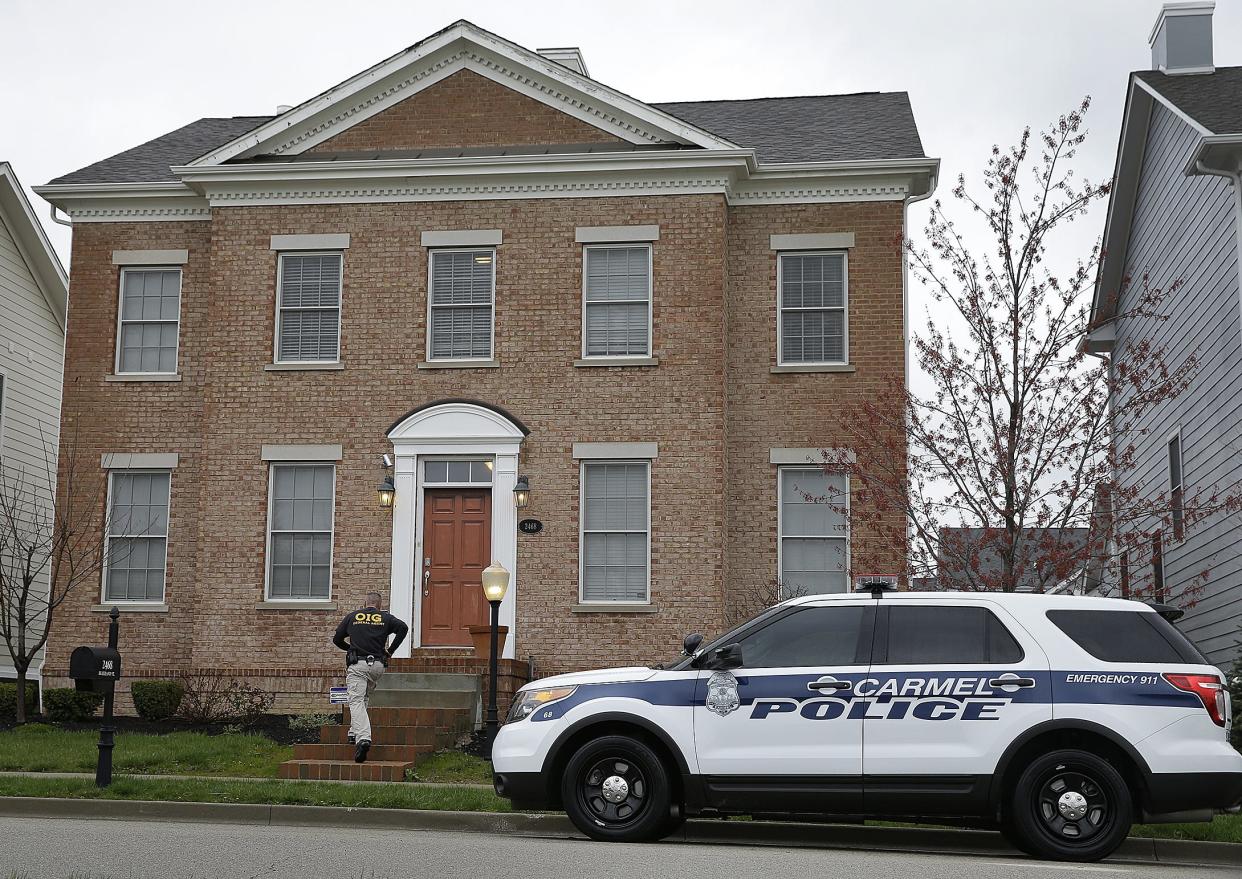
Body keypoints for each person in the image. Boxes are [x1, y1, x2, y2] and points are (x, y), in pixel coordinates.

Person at [332, 592, 409, 763]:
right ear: (379, 605)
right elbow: (403, 628)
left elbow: (337, 639)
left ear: (365, 603)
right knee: (363, 696)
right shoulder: (385, 618)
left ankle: (364, 738)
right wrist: (390, 651)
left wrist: (350, 648)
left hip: (357, 665)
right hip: (377, 666)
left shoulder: (353, 616)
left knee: (356, 700)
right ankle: (353, 732)